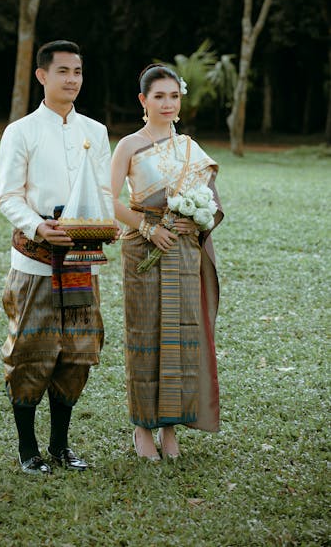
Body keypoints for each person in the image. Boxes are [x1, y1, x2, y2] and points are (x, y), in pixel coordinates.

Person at [0, 40, 114, 474]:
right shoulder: (21, 131)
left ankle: (61, 447)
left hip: (82, 258)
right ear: (42, 75)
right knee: (31, 352)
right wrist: (37, 227)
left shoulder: (95, 131)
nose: (72, 80)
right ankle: (28, 450)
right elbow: (8, 195)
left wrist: (106, 224)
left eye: (78, 72)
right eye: (63, 71)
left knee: (77, 353)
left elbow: (102, 192)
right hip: (34, 262)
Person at [111, 64, 223, 461]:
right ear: (143, 100)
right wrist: (146, 227)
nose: (167, 103)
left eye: (173, 96)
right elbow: (108, 200)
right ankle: (143, 428)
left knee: (180, 335)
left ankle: (171, 428)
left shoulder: (190, 147)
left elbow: (209, 201)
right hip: (143, 250)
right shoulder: (129, 145)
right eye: (159, 96)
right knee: (145, 334)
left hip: (182, 251)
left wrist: (191, 217)